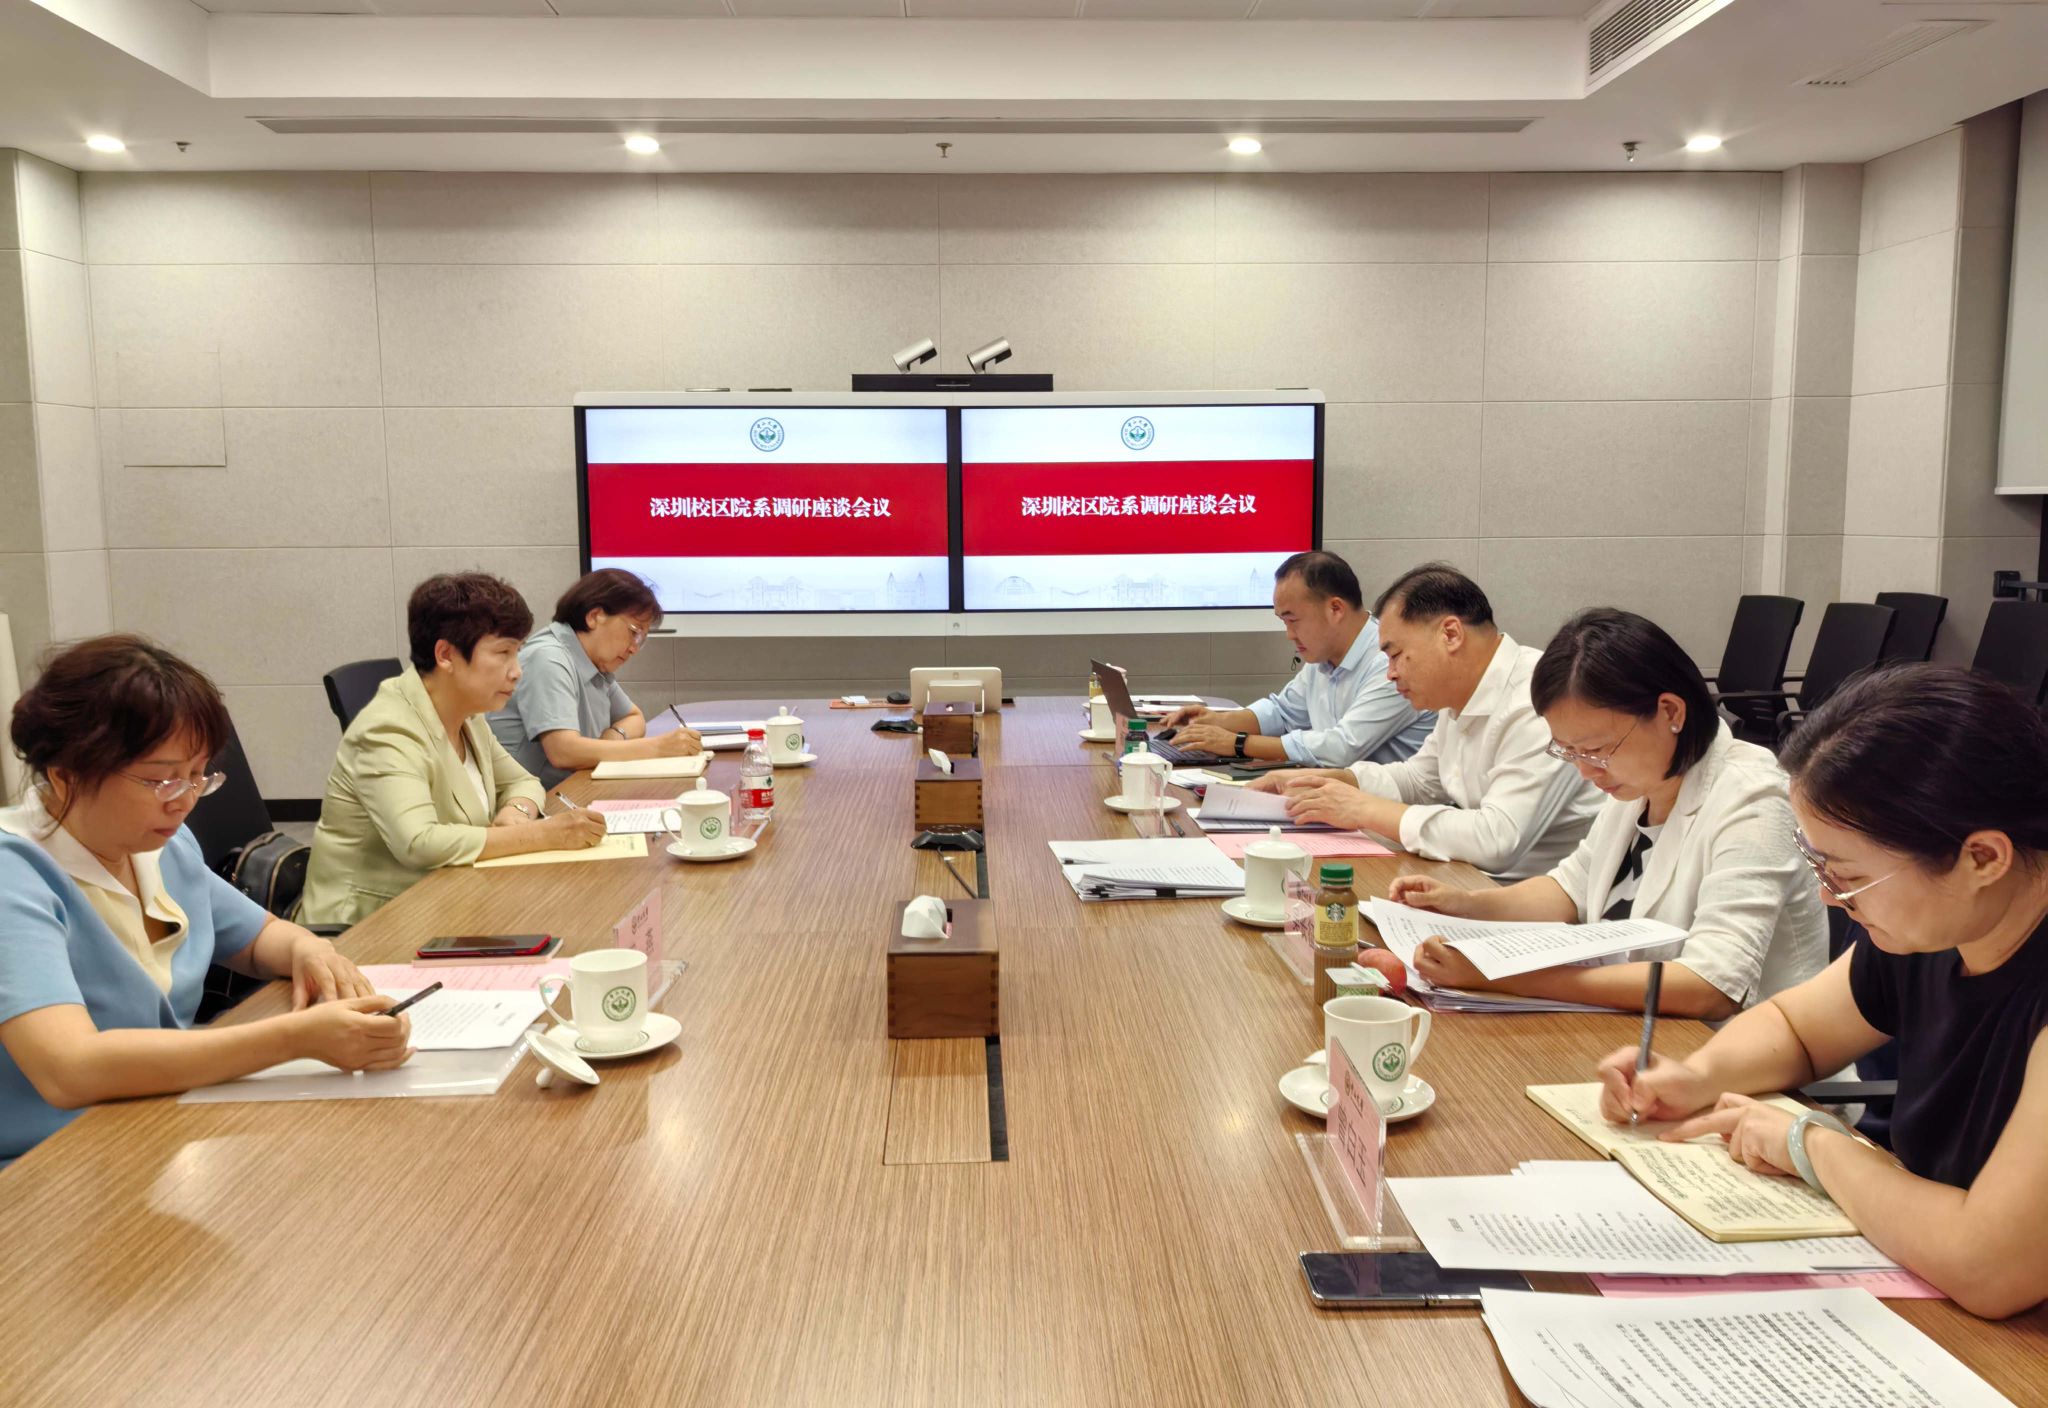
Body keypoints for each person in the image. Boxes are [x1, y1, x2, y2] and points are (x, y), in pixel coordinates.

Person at [1597, 665, 2048, 1319]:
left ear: (1982, 858)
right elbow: (1799, 1029)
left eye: (1848, 876)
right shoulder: (1940, 927)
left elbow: (1991, 1267)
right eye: (1819, 865)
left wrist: (1813, 1144)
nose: (1827, 897)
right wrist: (1697, 1077)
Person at [0, 636, 412, 1166]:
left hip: (154, 1126)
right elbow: (70, 1068)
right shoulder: (15, 874)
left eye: (198, 775)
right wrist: (294, 1039)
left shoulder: (159, 846)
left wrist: (311, 951)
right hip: (48, 1166)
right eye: (161, 780)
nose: (185, 800)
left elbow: (260, 937)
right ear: (66, 775)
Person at [1389, 608, 1826, 1019]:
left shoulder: (1754, 799)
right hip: (1635, 1028)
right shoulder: (1641, 780)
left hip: (1739, 1055)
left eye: (1596, 750)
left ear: (1670, 712)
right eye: (1569, 751)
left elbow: (1711, 985)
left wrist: (1507, 978)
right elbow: (1571, 888)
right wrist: (1466, 905)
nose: (1585, 770)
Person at [1248, 563, 1600, 880]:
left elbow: (1497, 839)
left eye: (1397, 654)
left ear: (1451, 635)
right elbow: (1419, 779)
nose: (1390, 673)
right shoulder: (1459, 694)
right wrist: (1331, 781)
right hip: (1473, 882)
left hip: (1534, 904)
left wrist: (1361, 808)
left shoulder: (1535, 699)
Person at [299, 573, 607, 927]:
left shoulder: (467, 713)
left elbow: (523, 781)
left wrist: (516, 812)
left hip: (450, 896)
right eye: (503, 653)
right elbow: (419, 842)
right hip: (369, 925)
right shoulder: (387, 729)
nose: (517, 672)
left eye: (517, 653)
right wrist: (540, 835)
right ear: (445, 655)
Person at [1159, 550, 1431, 767]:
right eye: (1283, 621)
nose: (1289, 635)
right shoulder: (1323, 658)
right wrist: (1216, 722)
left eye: (1293, 620)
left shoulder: (1389, 662)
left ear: (1335, 609)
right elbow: (1283, 712)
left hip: (1390, 810)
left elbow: (1342, 748)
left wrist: (1237, 743)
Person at [489, 569, 701, 790]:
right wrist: (657, 748)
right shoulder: (548, 658)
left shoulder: (593, 661)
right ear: (594, 617)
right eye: (634, 632)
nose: (634, 648)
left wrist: (611, 740)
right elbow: (563, 751)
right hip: (528, 801)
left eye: (641, 639)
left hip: (570, 790)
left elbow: (634, 717)